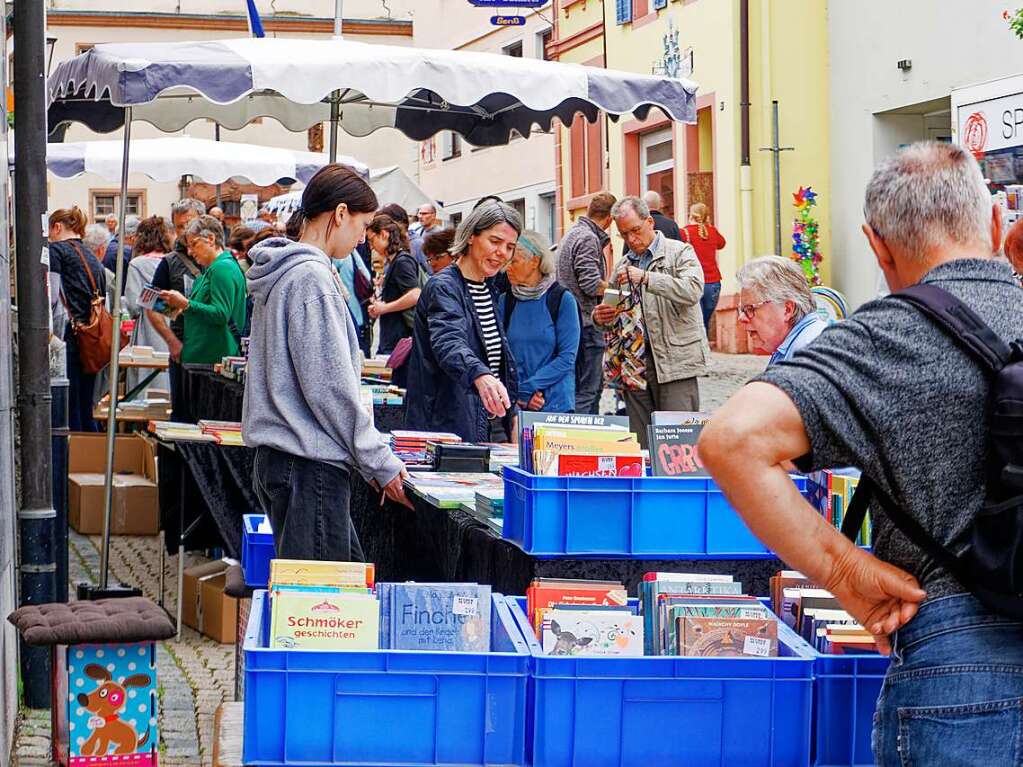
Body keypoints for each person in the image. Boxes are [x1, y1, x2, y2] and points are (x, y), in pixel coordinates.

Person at [699, 141, 1023, 766]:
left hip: (960, 657)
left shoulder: (884, 335)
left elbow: (732, 440)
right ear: (993, 224)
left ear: (877, 246)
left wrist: (843, 573)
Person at [243, 163, 411, 562]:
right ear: (339, 214)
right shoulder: (310, 277)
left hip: (290, 460)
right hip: (307, 465)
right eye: (362, 224)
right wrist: (378, 461)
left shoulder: (288, 272)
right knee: (322, 610)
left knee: (330, 596)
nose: (363, 239)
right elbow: (329, 388)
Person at [593, 196, 706, 448]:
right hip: (635, 367)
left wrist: (647, 278)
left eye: (635, 230)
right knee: (641, 446)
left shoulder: (679, 252)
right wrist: (600, 316)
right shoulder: (623, 264)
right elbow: (611, 306)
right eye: (624, 235)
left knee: (679, 444)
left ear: (649, 222)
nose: (632, 239)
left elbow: (693, 290)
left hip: (675, 361)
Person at [405, 200, 522, 442]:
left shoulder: (488, 287)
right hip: (448, 426)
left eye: (510, 247)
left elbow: (496, 358)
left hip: (487, 424)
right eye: (495, 241)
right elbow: (448, 341)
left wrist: (512, 413)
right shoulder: (444, 286)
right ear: (471, 237)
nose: (502, 252)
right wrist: (480, 375)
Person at [499, 230, 579, 413]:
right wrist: (520, 393)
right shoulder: (506, 301)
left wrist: (530, 388)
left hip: (554, 403)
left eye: (514, 262)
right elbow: (502, 354)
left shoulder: (562, 300)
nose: (507, 268)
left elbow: (567, 358)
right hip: (517, 404)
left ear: (534, 261)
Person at [158, 215, 247, 365]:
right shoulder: (215, 268)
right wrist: (175, 306)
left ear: (211, 239)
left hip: (212, 360)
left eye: (193, 244)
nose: (190, 252)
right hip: (204, 357)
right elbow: (201, 312)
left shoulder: (222, 268)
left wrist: (186, 304)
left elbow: (220, 314)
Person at [557, 192, 616, 414]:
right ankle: (583, 436)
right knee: (588, 389)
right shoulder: (588, 238)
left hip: (572, 321)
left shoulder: (572, 233)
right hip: (586, 322)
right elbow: (591, 283)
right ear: (609, 218)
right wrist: (619, 291)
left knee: (582, 387)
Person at [49, 207, 107, 431]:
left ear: (57, 227)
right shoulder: (92, 256)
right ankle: (90, 460)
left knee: (69, 408)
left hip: (68, 337)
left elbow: (51, 296)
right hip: (92, 338)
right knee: (85, 405)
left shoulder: (56, 251)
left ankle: (73, 461)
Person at [148, 198, 204, 420]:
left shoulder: (221, 259)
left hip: (218, 349)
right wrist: (172, 341)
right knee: (184, 414)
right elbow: (151, 304)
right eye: (179, 226)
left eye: (189, 223)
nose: (184, 231)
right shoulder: (170, 262)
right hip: (186, 348)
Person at [735, 256, 828, 364]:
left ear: (787, 310)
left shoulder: (808, 351)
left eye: (749, 308)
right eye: (742, 310)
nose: (741, 318)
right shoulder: (792, 344)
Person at [124, 216, 173, 393]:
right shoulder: (172, 262)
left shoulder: (137, 265)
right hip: (173, 326)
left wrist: (149, 302)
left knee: (146, 376)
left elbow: (133, 305)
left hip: (148, 328)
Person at [365, 214, 421, 360]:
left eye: (372, 240)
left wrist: (385, 308)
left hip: (399, 341)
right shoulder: (395, 262)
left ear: (383, 234)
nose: (371, 246)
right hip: (394, 339)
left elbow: (415, 294)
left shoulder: (402, 261)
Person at [682, 203, 727, 329]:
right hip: (713, 283)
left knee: (697, 324)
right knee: (704, 322)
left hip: (694, 282)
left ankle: (700, 348)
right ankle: (704, 347)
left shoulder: (685, 233)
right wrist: (709, 225)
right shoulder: (712, 231)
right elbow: (722, 243)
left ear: (690, 215)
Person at [333, 246, 373, 357]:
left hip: (347, 318)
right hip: (360, 315)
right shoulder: (352, 254)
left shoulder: (334, 259)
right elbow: (367, 276)